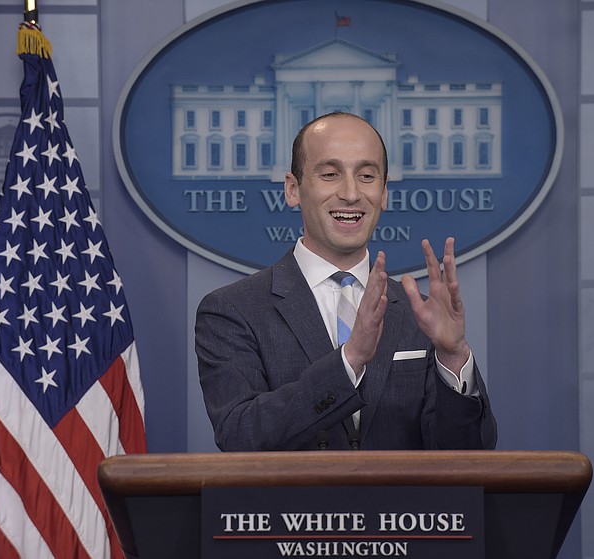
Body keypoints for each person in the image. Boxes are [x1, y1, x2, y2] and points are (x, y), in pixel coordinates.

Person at [196, 112, 497, 451]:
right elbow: (240, 434)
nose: (351, 193)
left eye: (366, 176)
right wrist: (349, 360)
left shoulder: (421, 317)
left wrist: (453, 357)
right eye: (330, 174)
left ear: (384, 193)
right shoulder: (233, 310)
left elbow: (468, 455)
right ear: (293, 189)